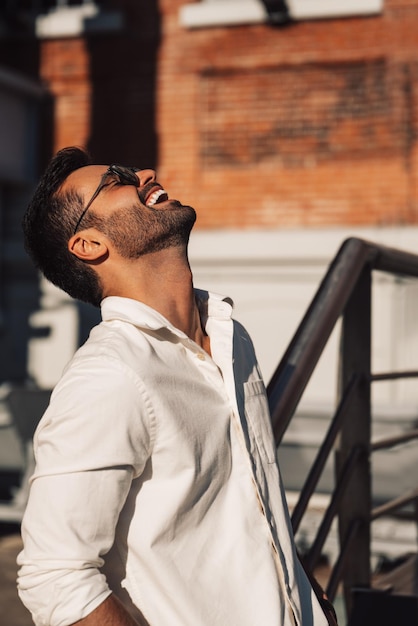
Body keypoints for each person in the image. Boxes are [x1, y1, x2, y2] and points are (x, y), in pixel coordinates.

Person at [17, 147, 332, 626]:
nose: (144, 174)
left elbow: (248, 499)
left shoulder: (230, 336)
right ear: (88, 245)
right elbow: (55, 577)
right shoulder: (110, 375)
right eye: (117, 180)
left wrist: (304, 596)